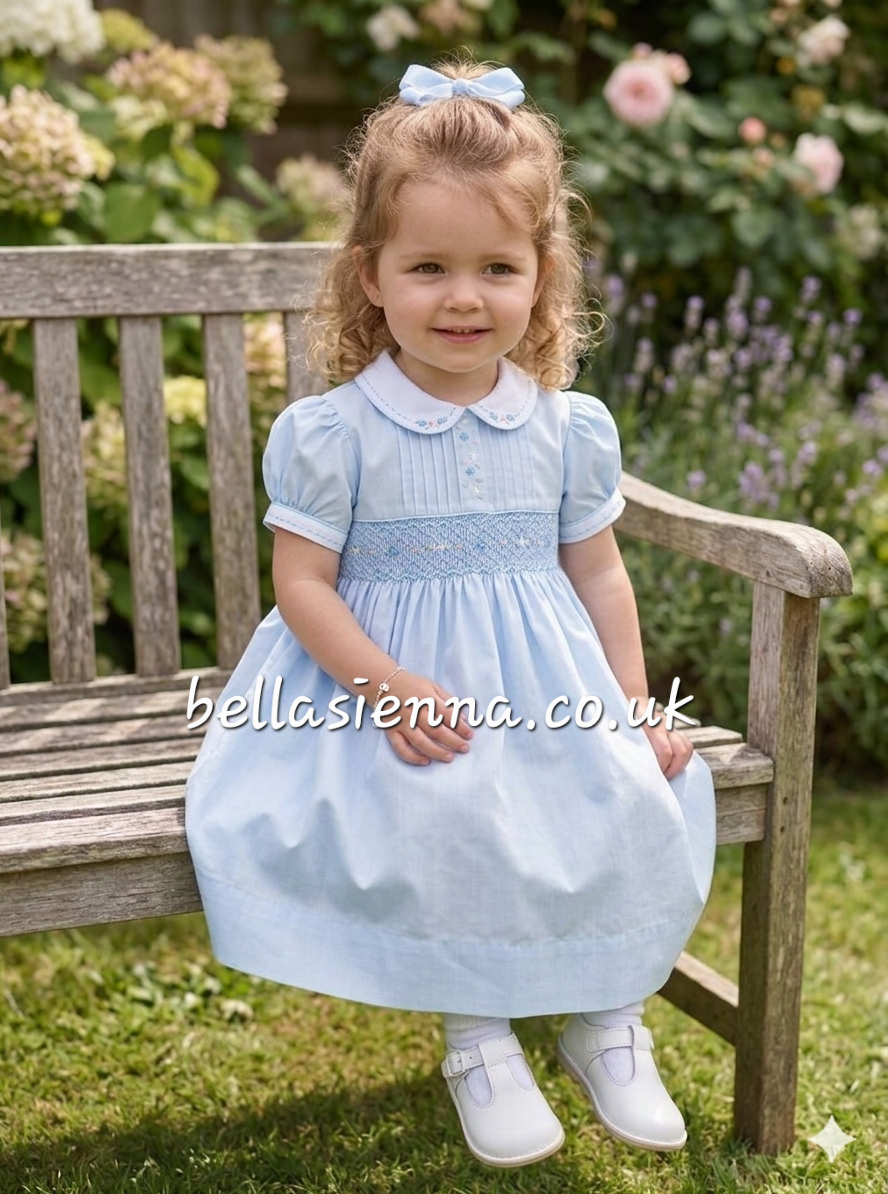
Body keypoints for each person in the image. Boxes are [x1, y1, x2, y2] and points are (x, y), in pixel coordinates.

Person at [184, 58, 717, 1169]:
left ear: (541, 277)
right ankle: (478, 1036)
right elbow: (302, 586)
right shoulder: (338, 433)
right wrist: (386, 688)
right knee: (452, 806)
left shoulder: (564, 427)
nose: (463, 297)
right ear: (371, 277)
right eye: (427, 266)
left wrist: (629, 702)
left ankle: (607, 1015)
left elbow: (598, 573)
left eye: (495, 268)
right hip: (381, 692)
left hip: (547, 688)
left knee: (630, 785)